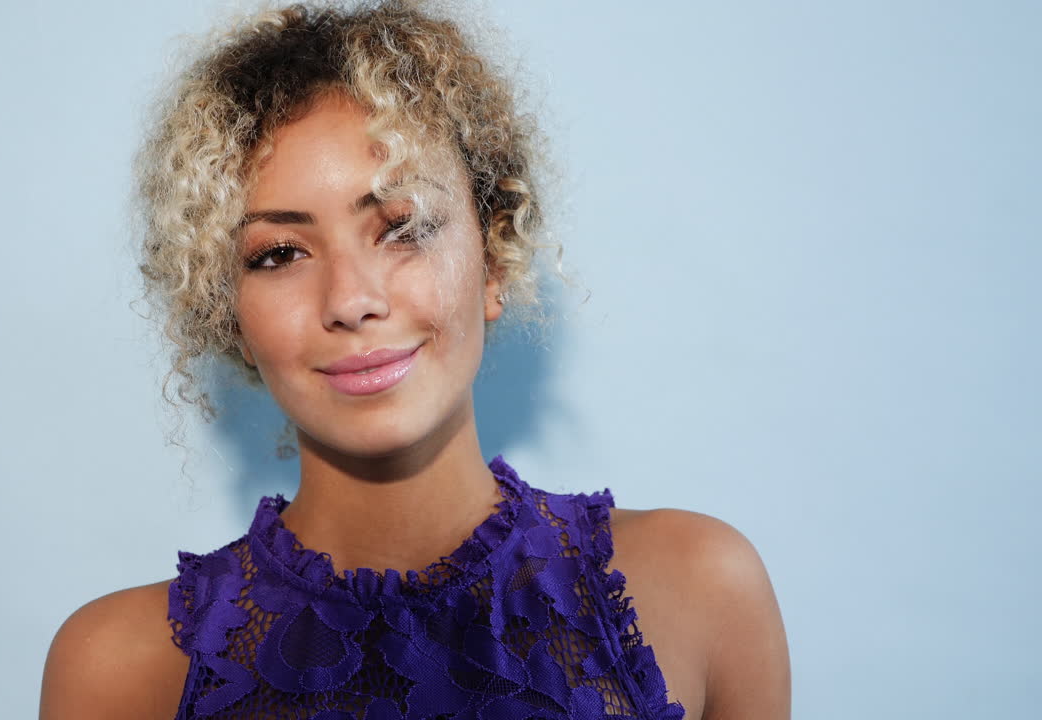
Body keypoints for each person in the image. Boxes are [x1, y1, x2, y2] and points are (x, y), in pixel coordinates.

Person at [40, 2, 790, 718]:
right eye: (280, 253)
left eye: (402, 229)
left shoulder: (700, 590)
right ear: (227, 314)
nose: (351, 299)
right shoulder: (117, 669)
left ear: (494, 260)